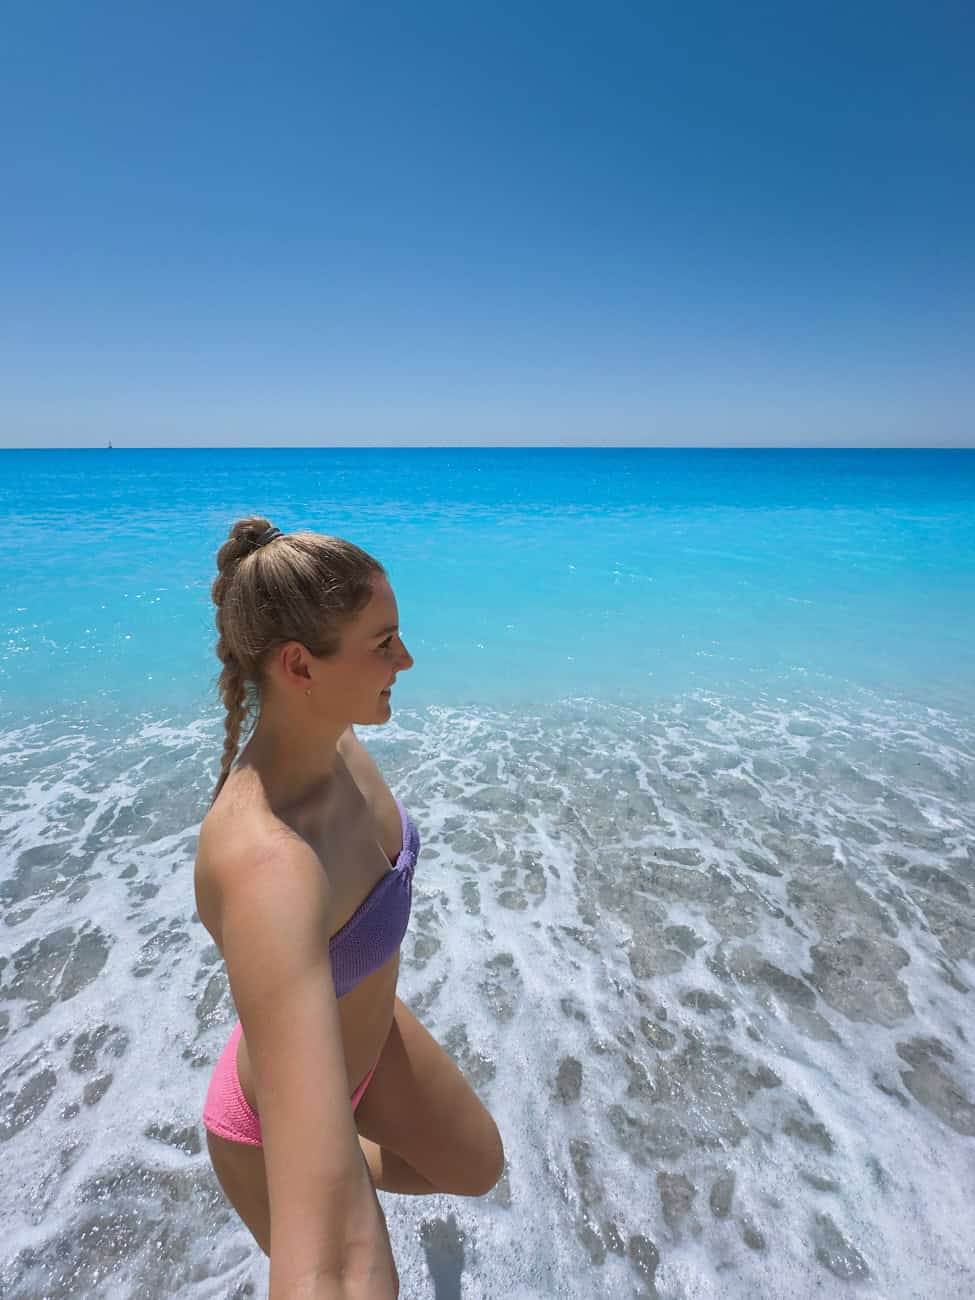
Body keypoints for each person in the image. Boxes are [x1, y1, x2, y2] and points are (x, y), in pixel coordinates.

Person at [195, 518, 505, 1300]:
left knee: (473, 1167)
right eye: (383, 643)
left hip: (361, 1043)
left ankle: (342, 1159)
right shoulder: (267, 864)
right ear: (299, 664)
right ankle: (298, 1167)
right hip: (282, 1108)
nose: (406, 660)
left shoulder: (334, 742)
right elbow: (324, 1270)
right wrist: (327, 1190)